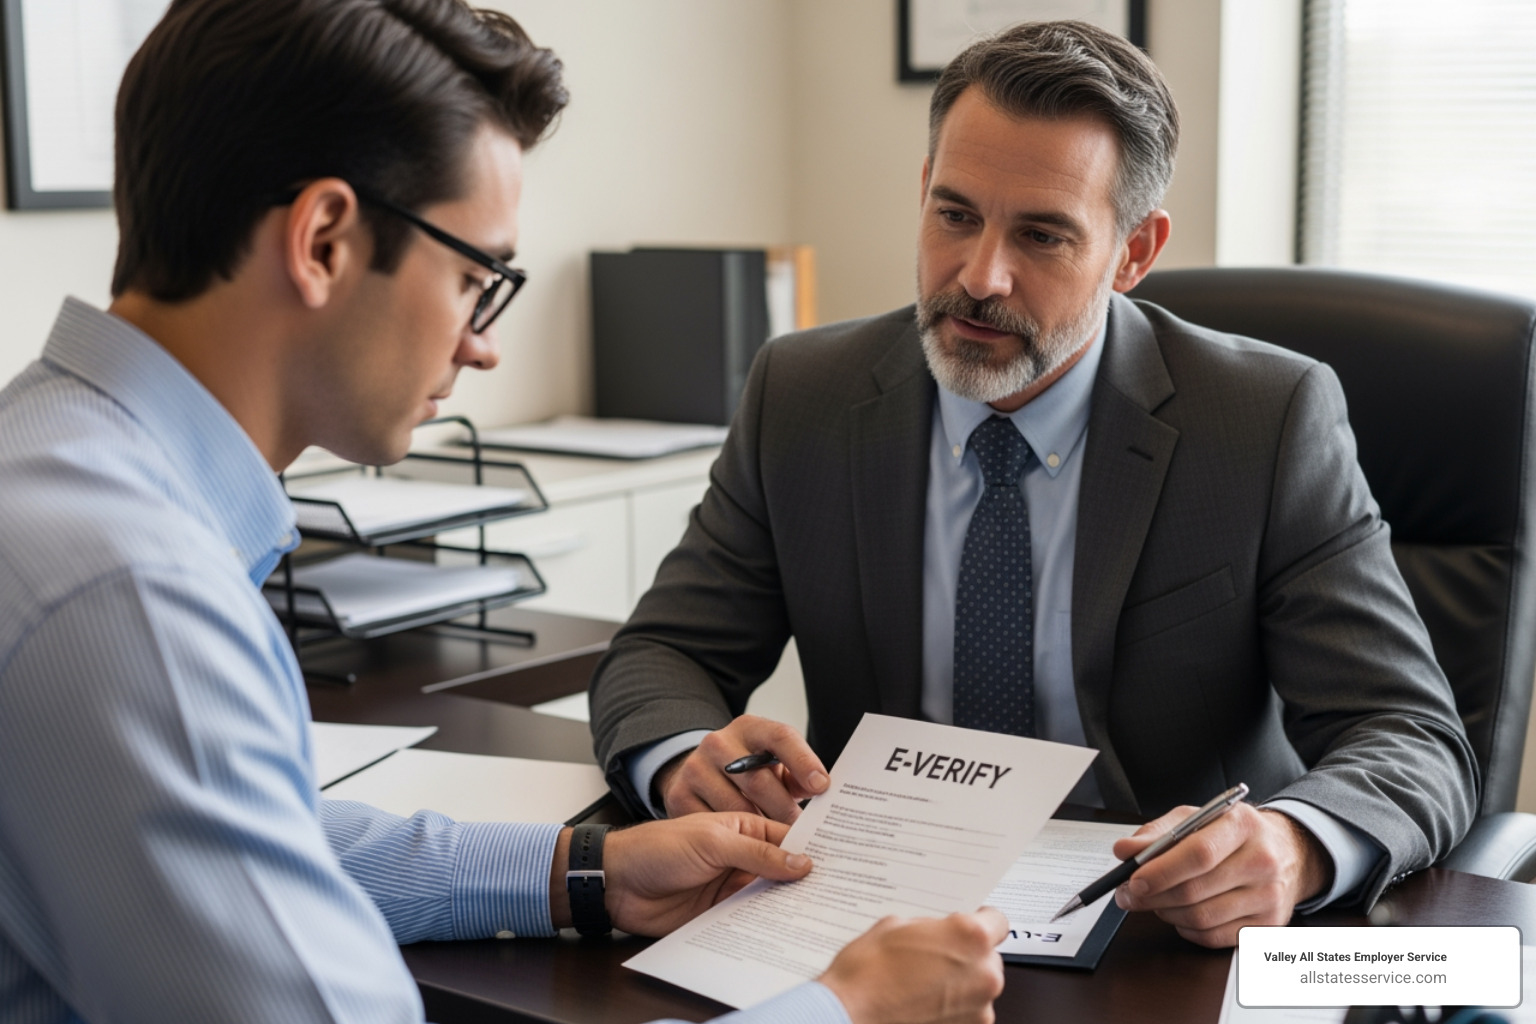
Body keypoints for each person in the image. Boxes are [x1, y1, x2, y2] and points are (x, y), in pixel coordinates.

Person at [0, 2, 1010, 1022]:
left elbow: (274, 839)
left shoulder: (48, 463)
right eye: (477, 279)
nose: (483, 344)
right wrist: (842, 1010)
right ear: (323, 241)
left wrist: (588, 871)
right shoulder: (128, 592)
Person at [589, 19, 1479, 950]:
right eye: (956, 214)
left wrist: (1294, 848)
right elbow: (661, 654)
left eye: (1043, 236)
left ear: (1134, 253)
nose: (979, 277)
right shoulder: (805, 392)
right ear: (922, 193)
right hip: (870, 914)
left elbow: (1407, 732)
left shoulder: (1263, 419)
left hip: (1152, 933)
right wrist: (686, 758)